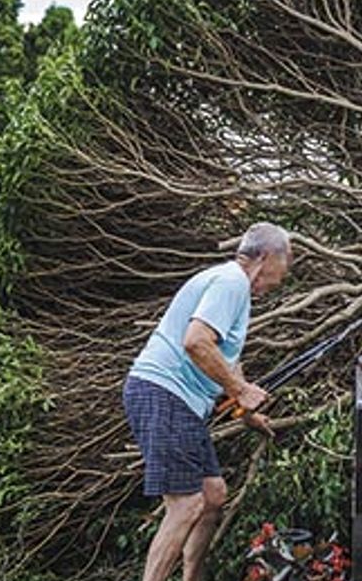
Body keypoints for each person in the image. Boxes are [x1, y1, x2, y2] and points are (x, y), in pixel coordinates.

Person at [123, 222, 291, 581]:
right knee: (186, 505)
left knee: (212, 495)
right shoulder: (231, 282)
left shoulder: (236, 292)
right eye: (281, 269)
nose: (278, 282)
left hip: (177, 400)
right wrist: (241, 390)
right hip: (164, 392)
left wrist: (246, 412)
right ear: (264, 257)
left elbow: (226, 360)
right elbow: (196, 342)